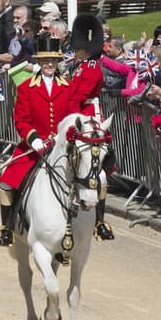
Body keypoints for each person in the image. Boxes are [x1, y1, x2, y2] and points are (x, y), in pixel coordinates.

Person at [0, 34, 75, 246]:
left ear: (58, 62)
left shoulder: (68, 86)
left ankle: (89, 223)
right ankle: (7, 227)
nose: (49, 64)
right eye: (45, 60)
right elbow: (21, 119)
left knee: (86, 176)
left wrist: (63, 134)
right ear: (38, 62)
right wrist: (34, 138)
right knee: (6, 182)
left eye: (53, 60)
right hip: (34, 146)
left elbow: (73, 116)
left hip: (62, 146)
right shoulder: (26, 87)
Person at [64, 14, 113, 241]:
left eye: (78, 47)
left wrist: (68, 110)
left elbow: (80, 95)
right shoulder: (80, 65)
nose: (75, 51)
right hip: (76, 113)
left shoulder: (92, 67)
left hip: (88, 117)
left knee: (97, 170)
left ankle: (100, 221)